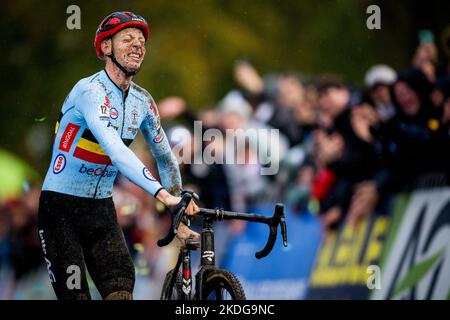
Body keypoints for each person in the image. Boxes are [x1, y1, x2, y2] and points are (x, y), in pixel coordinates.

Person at [38, 11, 199, 300]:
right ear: (105, 48)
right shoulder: (90, 91)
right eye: (127, 39)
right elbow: (115, 150)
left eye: (141, 41)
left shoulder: (143, 101)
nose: (138, 45)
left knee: (122, 293)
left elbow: (165, 157)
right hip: (60, 210)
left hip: (101, 210)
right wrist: (164, 196)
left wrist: (179, 218)